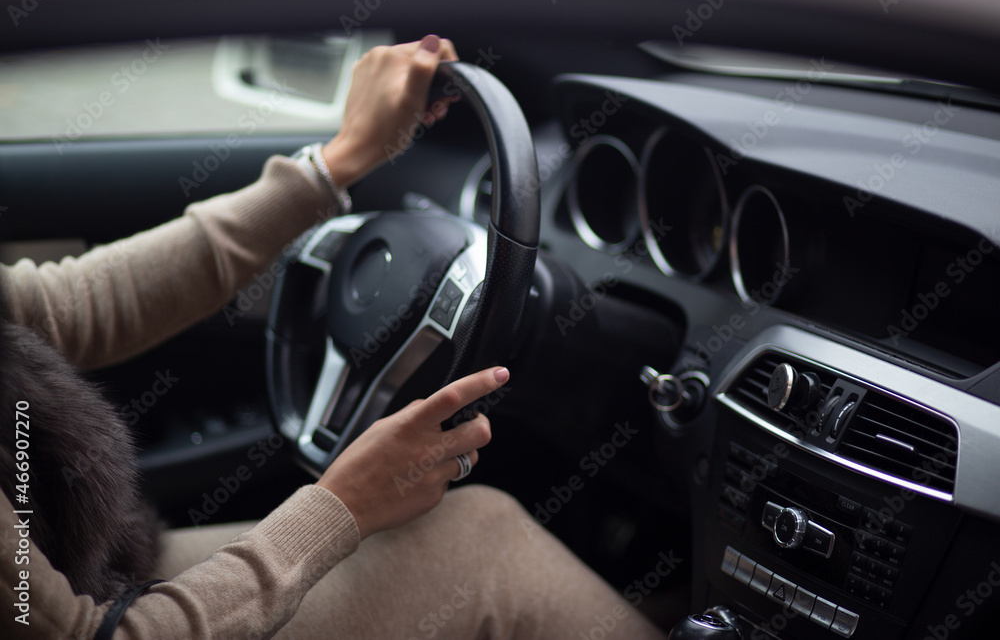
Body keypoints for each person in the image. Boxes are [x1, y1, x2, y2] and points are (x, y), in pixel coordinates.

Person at [0, 35, 668, 639]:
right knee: (490, 554)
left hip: (92, 565)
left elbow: (65, 307)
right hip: (108, 612)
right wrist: (341, 505)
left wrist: (341, 158)